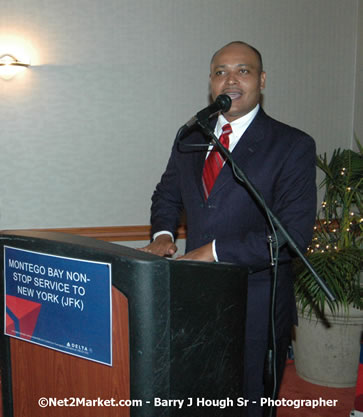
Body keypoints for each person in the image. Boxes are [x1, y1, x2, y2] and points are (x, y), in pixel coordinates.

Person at [141, 41, 316, 416]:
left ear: (262, 80)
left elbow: (293, 235)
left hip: (257, 299)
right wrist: (163, 236)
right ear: (210, 83)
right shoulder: (190, 136)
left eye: (243, 71)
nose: (230, 80)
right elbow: (167, 195)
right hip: (194, 295)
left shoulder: (292, 144)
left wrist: (217, 251)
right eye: (221, 72)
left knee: (249, 399)